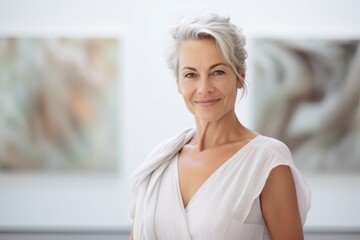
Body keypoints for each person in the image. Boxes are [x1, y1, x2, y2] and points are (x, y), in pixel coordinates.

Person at [129, 12, 311, 240]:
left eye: (217, 72)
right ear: (178, 82)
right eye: (191, 75)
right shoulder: (159, 160)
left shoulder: (268, 161)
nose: (204, 88)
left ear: (240, 75)